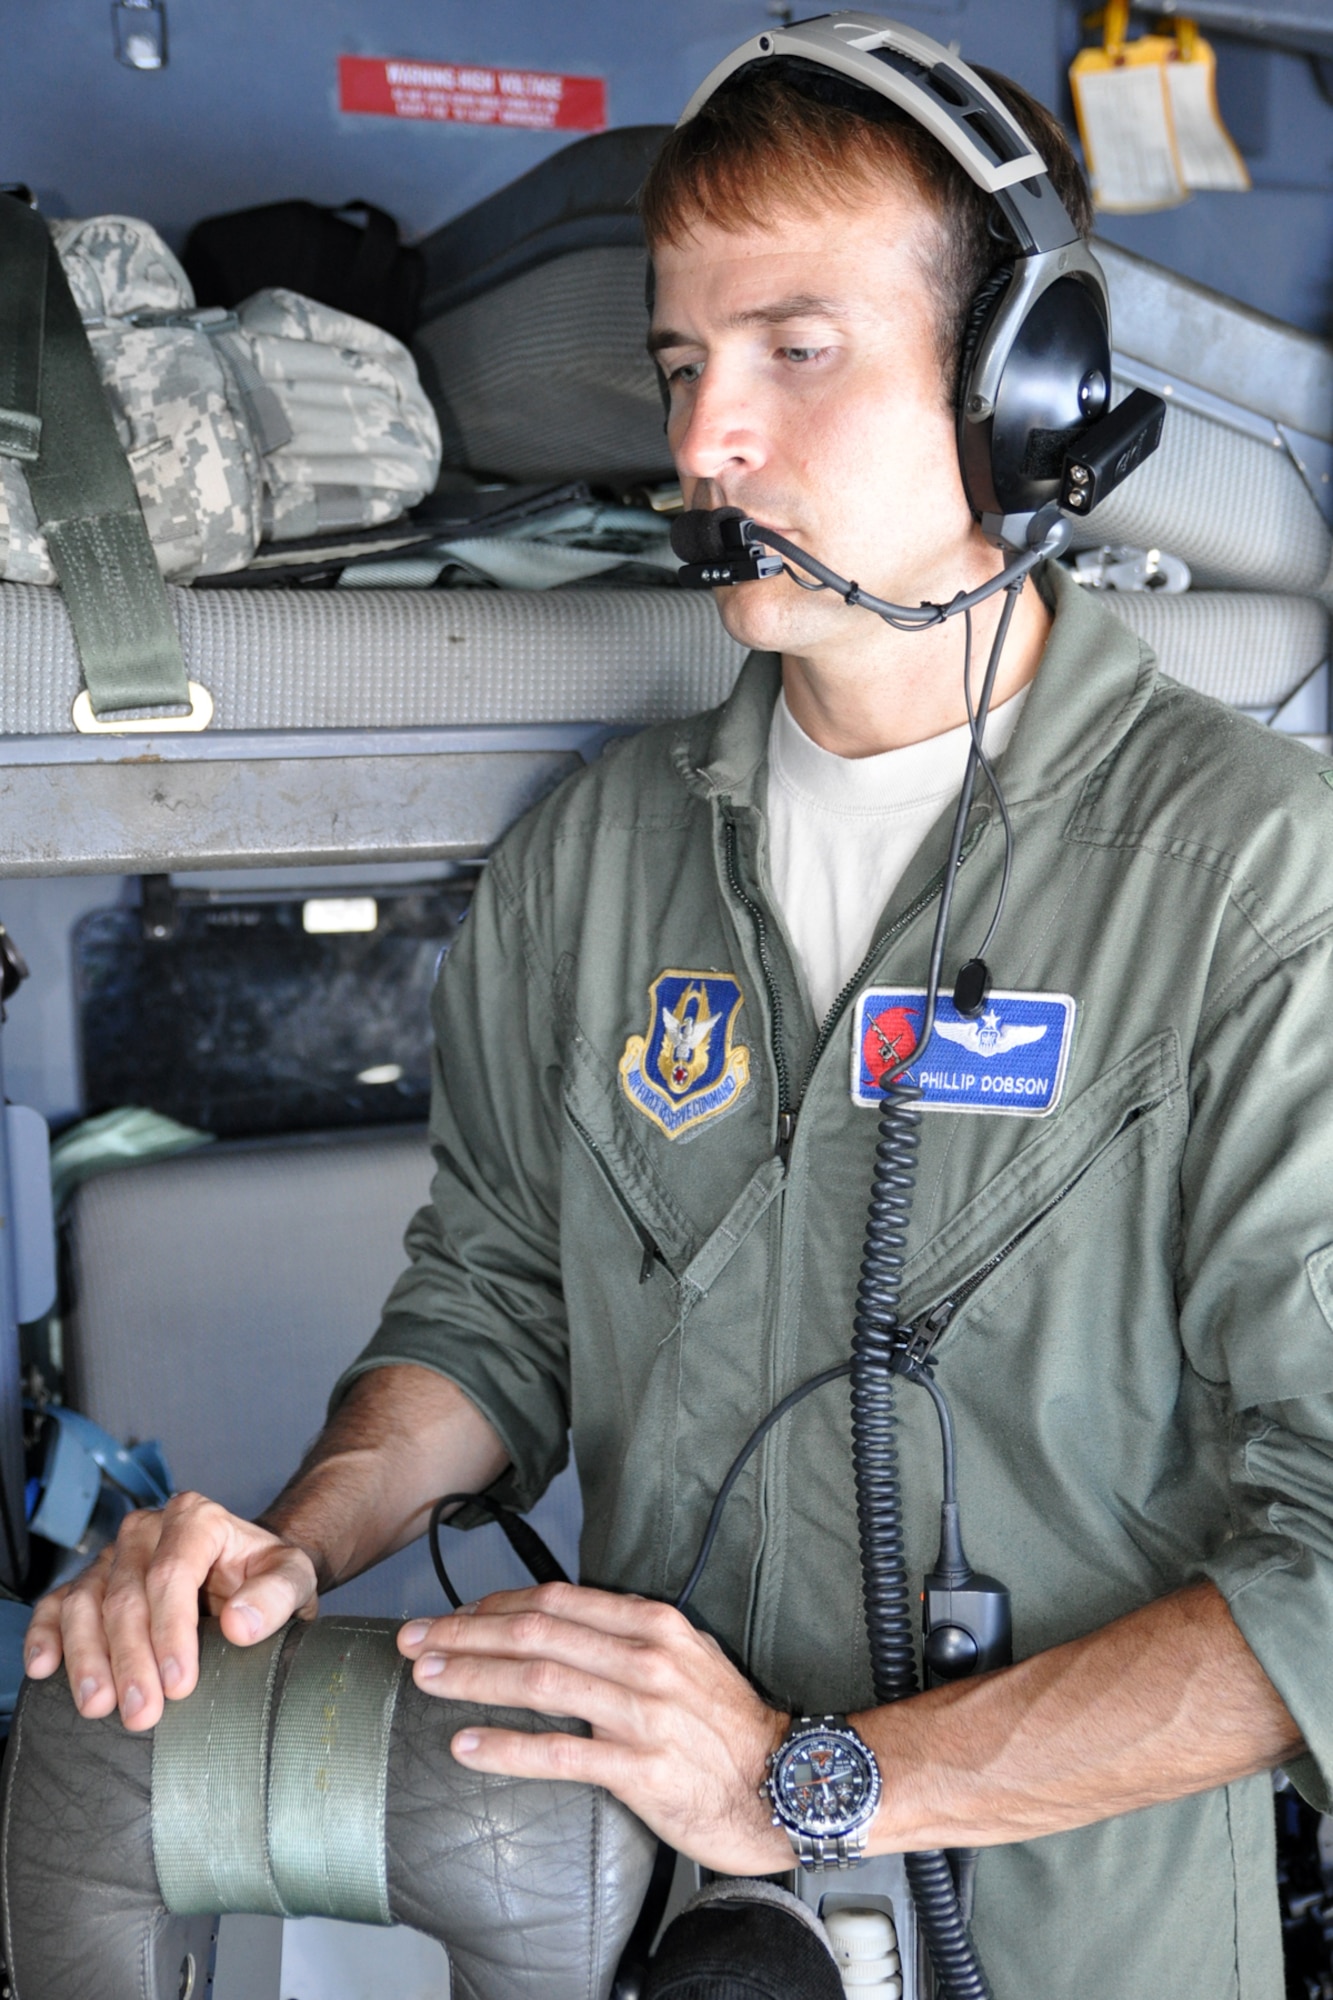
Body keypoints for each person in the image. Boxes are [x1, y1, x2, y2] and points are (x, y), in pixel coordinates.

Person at [24, 29, 1333, 1996]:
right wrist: (296, 1541)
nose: (706, 441)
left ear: (1021, 392)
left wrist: (814, 1784)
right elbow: (493, 1314)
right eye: (677, 366)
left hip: (1079, 1938)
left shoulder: (1254, 871)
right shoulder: (598, 858)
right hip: (658, 1927)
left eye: (794, 351)